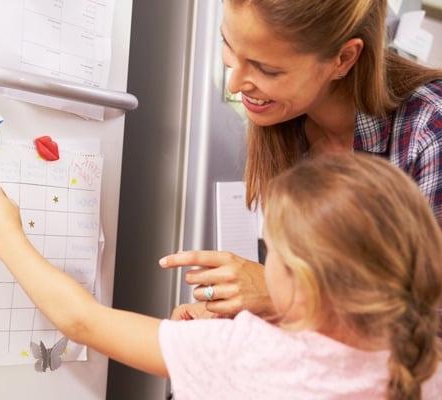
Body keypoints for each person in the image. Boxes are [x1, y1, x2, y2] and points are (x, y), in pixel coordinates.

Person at [0, 153, 442, 399]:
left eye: (269, 252)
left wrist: (5, 234)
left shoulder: (245, 354)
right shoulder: (425, 361)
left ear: (304, 283)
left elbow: (82, 322)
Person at [161, 0, 442, 318]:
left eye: (266, 68)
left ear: (343, 59)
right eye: (228, 45)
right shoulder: (288, 126)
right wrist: (243, 322)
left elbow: (429, 327)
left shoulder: (430, 129)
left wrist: (282, 296)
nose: (235, 83)